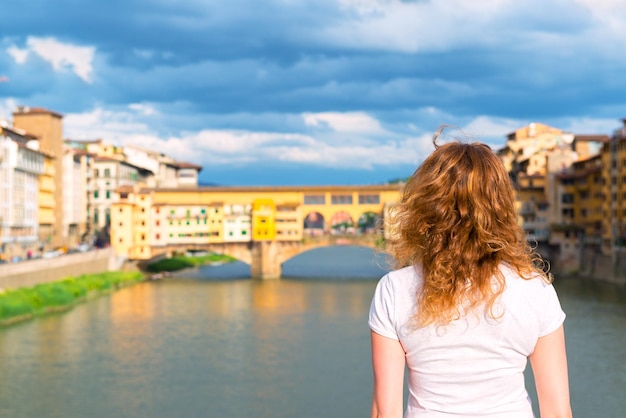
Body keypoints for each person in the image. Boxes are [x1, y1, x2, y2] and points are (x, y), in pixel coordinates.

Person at [369, 129, 572, 418]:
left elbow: (384, 412)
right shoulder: (535, 289)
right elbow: (558, 412)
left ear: (426, 207)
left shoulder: (394, 289)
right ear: (500, 207)